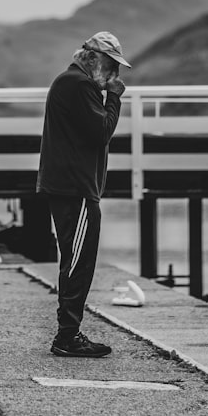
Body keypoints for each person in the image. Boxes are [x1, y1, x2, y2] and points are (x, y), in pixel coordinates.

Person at [37, 31, 129, 358]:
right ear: (91, 58)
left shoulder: (72, 83)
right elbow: (102, 132)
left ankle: (69, 332)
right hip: (74, 188)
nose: (114, 75)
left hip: (70, 185)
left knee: (78, 259)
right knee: (78, 261)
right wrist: (114, 97)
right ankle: (67, 335)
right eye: (110, 65)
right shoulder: (78, 84)